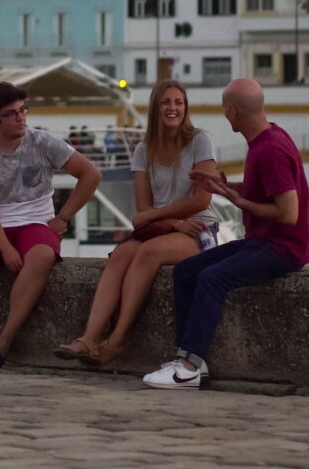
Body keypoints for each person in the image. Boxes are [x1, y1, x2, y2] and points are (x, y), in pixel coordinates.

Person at [143, 78, 309, 389]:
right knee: (186, 272)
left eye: (225, 108)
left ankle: (189, 365)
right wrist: (224, 188)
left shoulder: (270, 149)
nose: (224, 114)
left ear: (233, 110)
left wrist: (238, 200)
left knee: (212, 278)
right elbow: (264, 194)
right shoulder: (265, 139)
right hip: (260, 241)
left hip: (283, 248)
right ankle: (191, 359)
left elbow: (289, 213)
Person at [54, 80, 220, 367]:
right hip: (167, 228)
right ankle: (89, 338)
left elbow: (201, 201)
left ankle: (116, 340)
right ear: (156, 107)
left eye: (178, 102)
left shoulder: (199, 140)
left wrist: (167, 220)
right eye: (166, 102)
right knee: (120, 255)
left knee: (147, 253)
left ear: (186, 107)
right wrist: (169, 221)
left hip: (198, 229)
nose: (173, 108)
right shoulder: (144, 150)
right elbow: (142, 207)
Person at [0, 82, 102, 367]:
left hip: (36, 220)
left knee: (42, 256)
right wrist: (5, 248)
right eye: (11, 114)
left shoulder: (42, 142)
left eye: (23, 110)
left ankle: (5, 339)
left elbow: (90, 174)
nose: (21, 117)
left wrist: (63, 217)